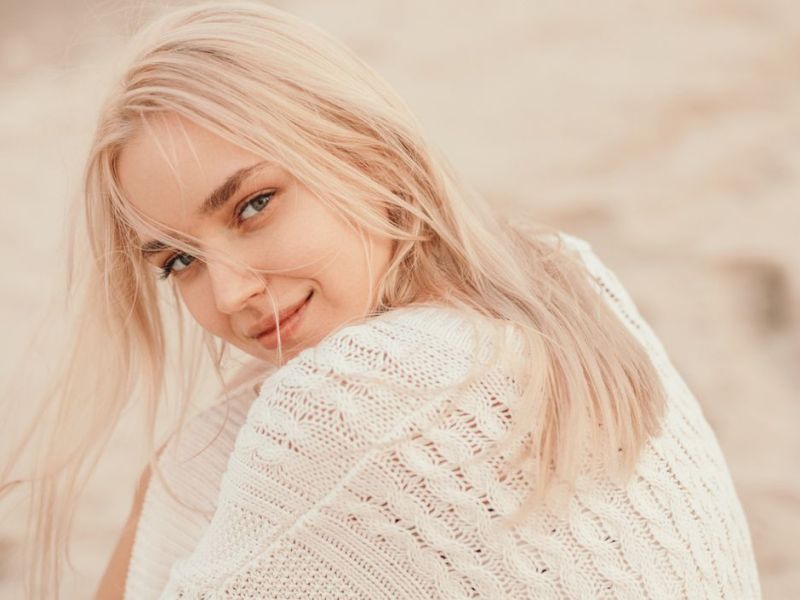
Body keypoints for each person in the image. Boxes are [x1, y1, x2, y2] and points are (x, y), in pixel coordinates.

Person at [0, 2, 761, 598]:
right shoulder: (564, 274)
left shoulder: (352, 400)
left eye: (254, 205)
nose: (229, 292)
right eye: (178, 261)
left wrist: (158, 488)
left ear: (368, 155)